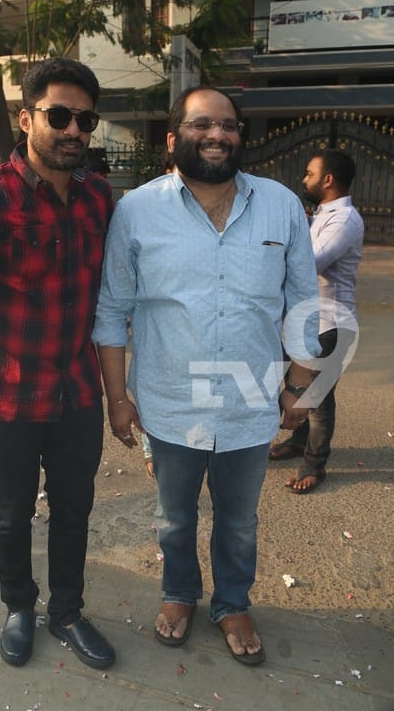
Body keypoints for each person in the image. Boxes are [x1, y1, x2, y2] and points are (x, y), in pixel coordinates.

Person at [92, 86, 320, 666]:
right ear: (173, 139)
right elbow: (113, 308)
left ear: (240, 135)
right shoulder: (137, 210)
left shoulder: (280, 206)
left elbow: (303, 304)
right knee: (174, 516)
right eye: (202, 124)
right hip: (169, 400)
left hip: (250, 399)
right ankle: (179, 593)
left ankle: (232, 602)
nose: (217, 134)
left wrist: (300, 385)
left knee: (239, 521)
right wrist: (117, 397)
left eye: (228, 125)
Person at [0, 57, 116, 670]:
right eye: (59, 116)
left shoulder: (98, 199)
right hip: (7, 395)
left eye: (85, 120)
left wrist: (119, 394)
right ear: (26, 118)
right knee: (12, 511)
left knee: (74, 509)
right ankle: (19, 607)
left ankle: (67, 612)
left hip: (77, 394)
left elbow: (116, 299)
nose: (73, 130)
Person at [269, 149, 364, 493]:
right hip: (305, 319)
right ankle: (299, 441)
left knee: (318, 399)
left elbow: (309, 264)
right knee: (297, 388)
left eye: (309, 174)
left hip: (330, 323)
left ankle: (314, 465)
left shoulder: (345, 220)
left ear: (328, 179)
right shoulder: (320, 215)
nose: (303, 179)